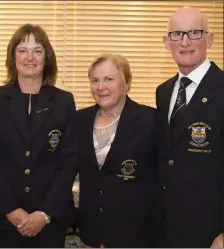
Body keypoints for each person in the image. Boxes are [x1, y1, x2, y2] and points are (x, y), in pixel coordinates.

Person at [0, 23, 78, 247]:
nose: (30, 57)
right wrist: (10, 210)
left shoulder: (64, 101)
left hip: (48, 224)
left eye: (38, 50)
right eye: (22, 50)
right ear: (13, 58)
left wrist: (44, 214)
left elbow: (69, 161)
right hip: (3, 223)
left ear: (47, 58)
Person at [156, 6, 224, 248]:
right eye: (177, 34)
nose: (185, 41)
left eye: (194, 32)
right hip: (165, 229)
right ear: (167, 42)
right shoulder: (163, 92)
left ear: (210, 39)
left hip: (211, 233)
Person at [76, 53, 158, 247]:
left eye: (109, 79)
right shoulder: (79, 120)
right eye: (95, 80)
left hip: (136, 236)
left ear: (127, 83)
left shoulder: (151, 120)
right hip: (91, 235)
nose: (100, 87)